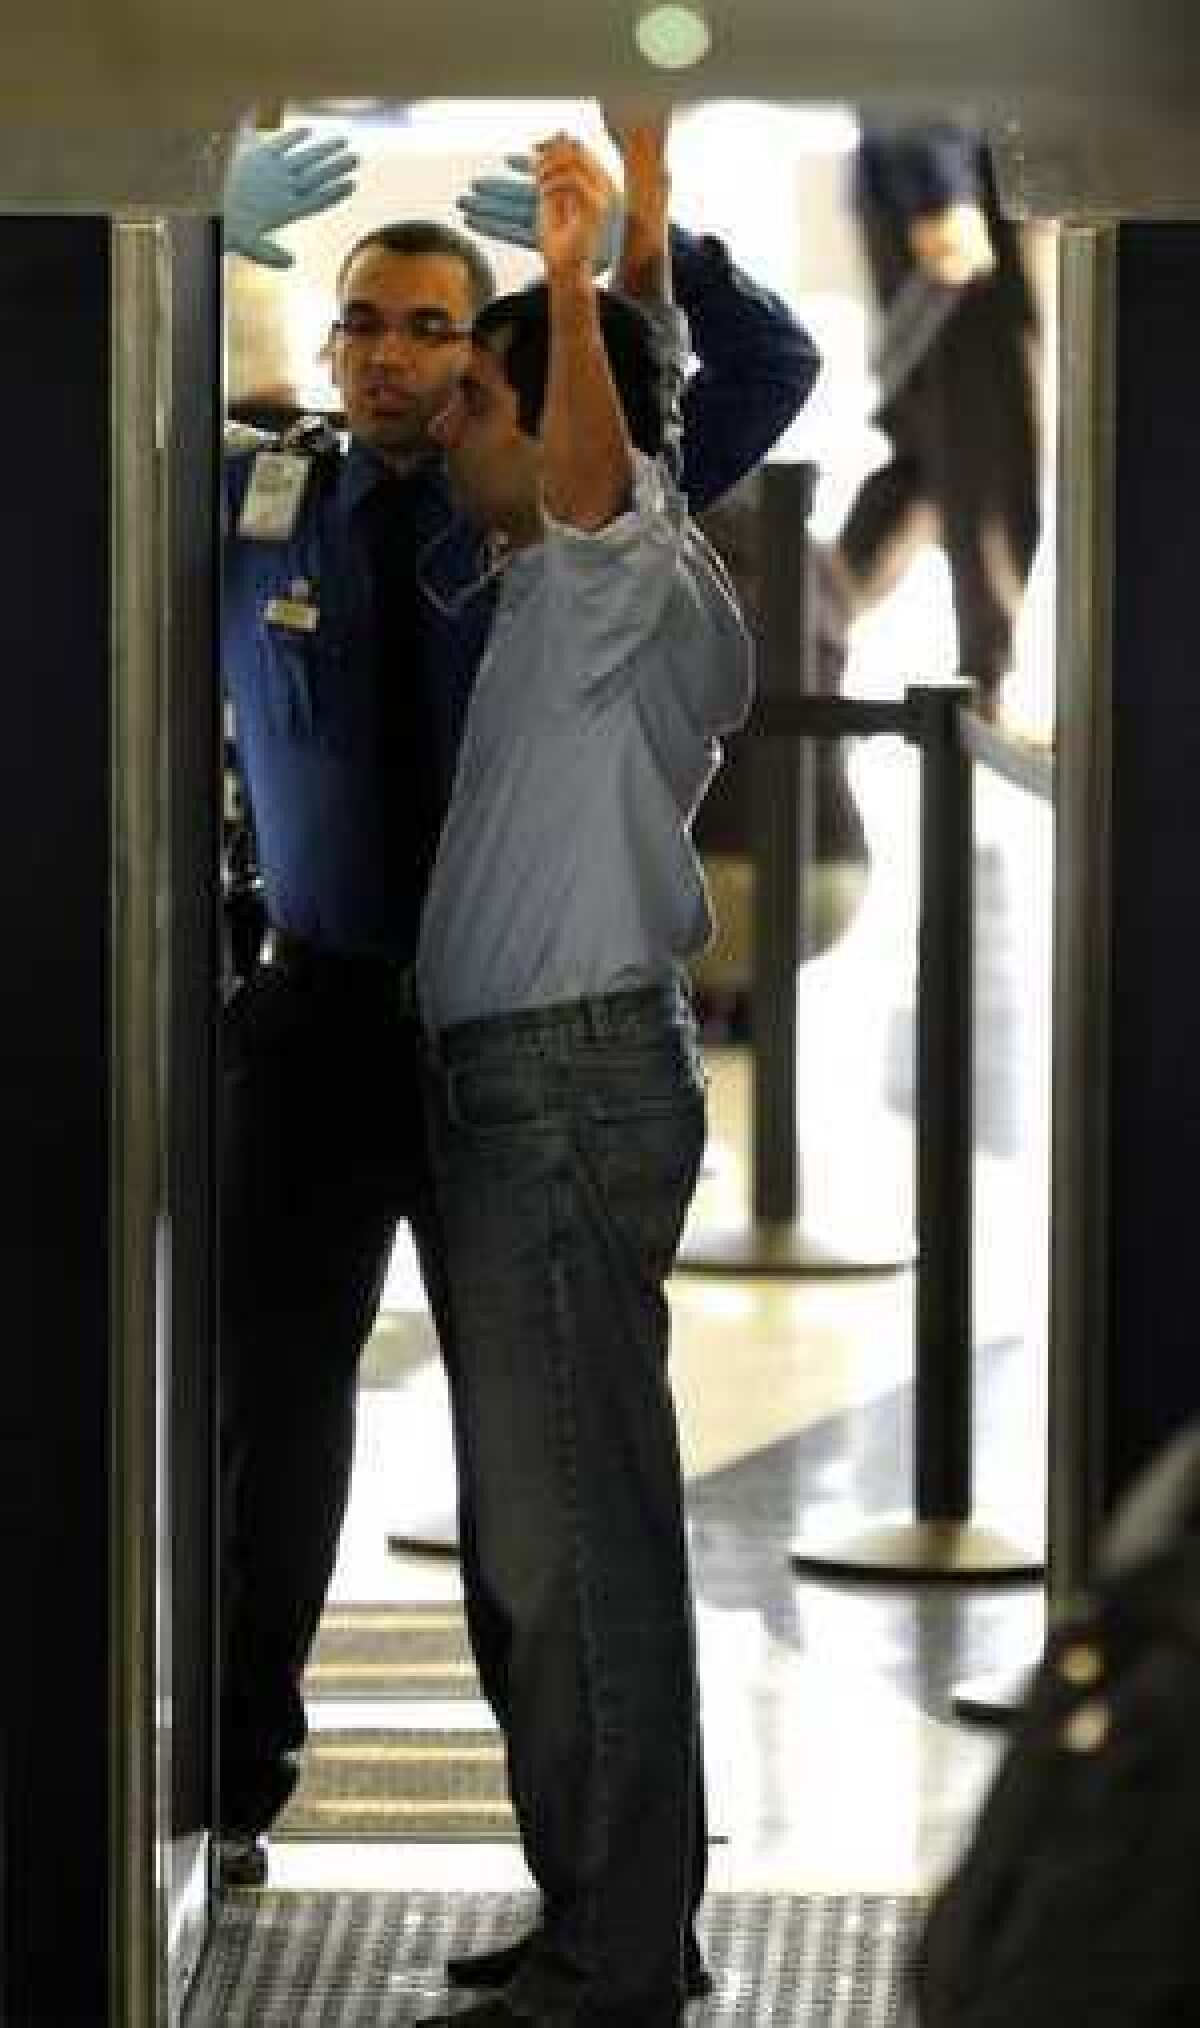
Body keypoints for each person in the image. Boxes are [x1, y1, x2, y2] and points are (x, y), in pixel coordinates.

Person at [218, 111, 820, 1894]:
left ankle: (599, 1871)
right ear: (330, 349)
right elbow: (82, 424)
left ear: (485, 360)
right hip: (320, 1021)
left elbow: (749, 383)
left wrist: (647, 247)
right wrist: (179, 232)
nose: (397, 360)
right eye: (365, 326)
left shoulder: (551, 514)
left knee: (535, 1470)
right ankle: (234, 1776)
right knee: (269, 1425)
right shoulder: (270, 502)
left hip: (506, 1048)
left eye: (435, 330)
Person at [413, 120, 753, 2028]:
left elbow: (609, 448)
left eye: (475, 398)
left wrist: (567, 277)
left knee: (572, 1558)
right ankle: (609, 1912)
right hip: (537, 1093)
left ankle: (615, 1954)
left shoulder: (603, 573)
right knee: (553, 1541)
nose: (447, 425)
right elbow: (639, 427)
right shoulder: (604, 575)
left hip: (554, 1099)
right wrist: (643, 198)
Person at [820, 120, 1041, 716]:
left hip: (949, 179)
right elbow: (926, 40)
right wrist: (942, 188)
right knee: (983, 451)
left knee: (927, 462)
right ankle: (990, 678)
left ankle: (791, 631)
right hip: (947, 184)